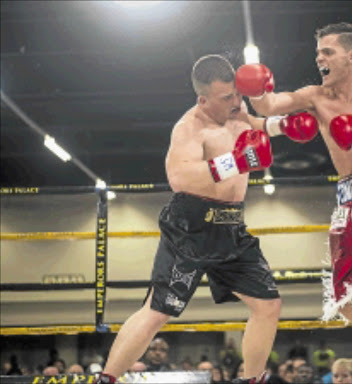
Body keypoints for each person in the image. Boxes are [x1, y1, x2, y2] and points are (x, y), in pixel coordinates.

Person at [94, 54, 322, 384]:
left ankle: (252, 380)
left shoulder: (236, 110)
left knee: (268, 305)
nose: (236, 101)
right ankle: (107, 379)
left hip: (231, 226)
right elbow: (180, 177)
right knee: (159, 311)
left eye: (237, 94)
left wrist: (284, 126)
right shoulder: (189, 128)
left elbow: (253, 127)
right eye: (226, 97)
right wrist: (235, 162)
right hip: (191, 226)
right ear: (204, 99)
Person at [235, 21, 352, 383]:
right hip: (348, 194)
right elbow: (271, 106)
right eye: (318, 52)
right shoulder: (316, 96)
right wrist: (258, 90)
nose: (318, 57)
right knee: (347, 297)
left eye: (327, 51)